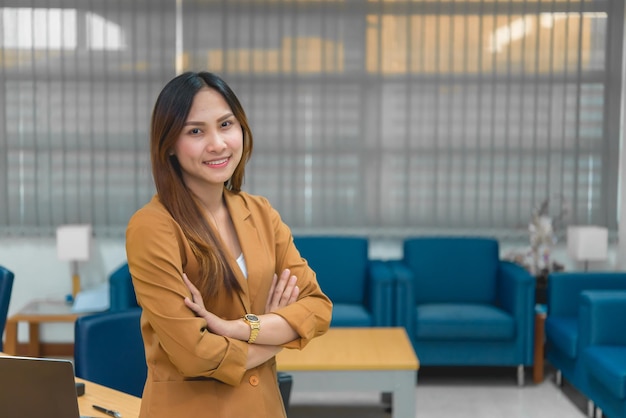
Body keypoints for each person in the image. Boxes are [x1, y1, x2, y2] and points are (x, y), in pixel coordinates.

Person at [125, 71, 333, 418]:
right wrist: (278, 329)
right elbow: (195, 353)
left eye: (225, 125)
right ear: (170, 145)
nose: (218, 144)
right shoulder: (153, 227)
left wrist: (239, 327)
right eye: (196, 131)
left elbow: (318, 308)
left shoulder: (261, 213)